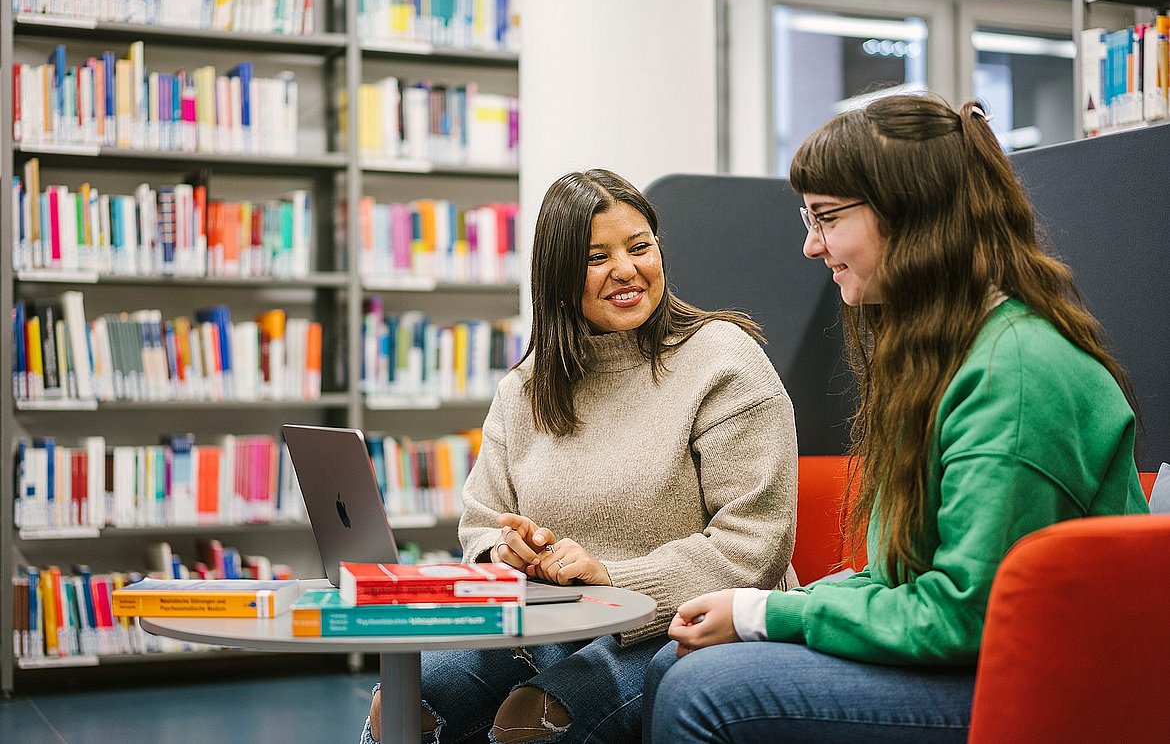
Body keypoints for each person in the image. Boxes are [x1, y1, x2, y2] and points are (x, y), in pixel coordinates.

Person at [642, 93, 1149, 743]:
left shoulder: (1015, 371)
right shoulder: (950, 349)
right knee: (672, 663)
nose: (810, 245)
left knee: (701, 693)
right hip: (978, 664)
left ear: (909, 216)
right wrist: (785, 607)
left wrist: (768, 613)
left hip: (1041, 689)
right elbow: (901, 577)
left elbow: (962, 615)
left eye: (826, 218)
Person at [360, 168, 799, 744]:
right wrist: (507, 553)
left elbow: (754, 547)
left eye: (640, 247)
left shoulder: (723, 361)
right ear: (560, 275)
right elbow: (480, 527)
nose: (626, 269)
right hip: (548, 626)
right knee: (404, 707)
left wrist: (612, 577)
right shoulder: (527, 387)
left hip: (679, 628)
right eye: (598, 257)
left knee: (534, 721)